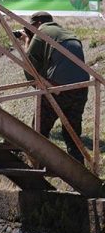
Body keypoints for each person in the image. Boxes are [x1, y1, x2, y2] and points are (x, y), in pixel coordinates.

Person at [24, 11, 89, 162]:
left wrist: (27, 40)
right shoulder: (66, 33)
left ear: (38, 24)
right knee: (72, 134)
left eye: (30, 28)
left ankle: (38, 166)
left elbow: (29, 66)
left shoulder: (42, 31)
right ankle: (80, 175)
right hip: (81, 88)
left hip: (58, 89)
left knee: (39, 130)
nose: (30, 31)